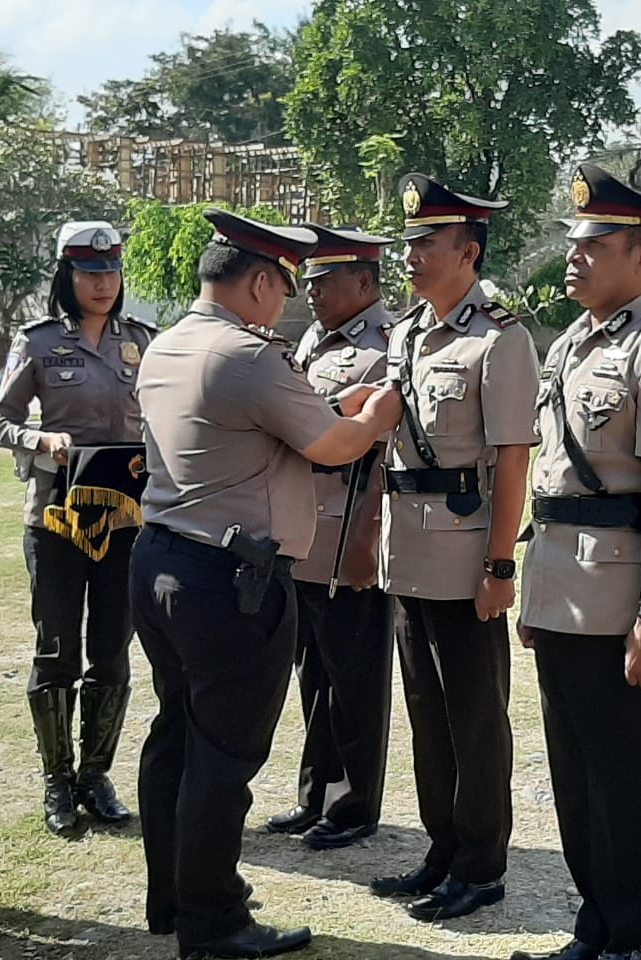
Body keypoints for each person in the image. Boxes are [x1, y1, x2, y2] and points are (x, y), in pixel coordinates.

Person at [130, 209, 402, 960]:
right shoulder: (247, 357)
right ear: (256, 281)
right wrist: (379, 410)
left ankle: (173, 896)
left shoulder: (168, 345)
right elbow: (336, 444)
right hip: (231, 579)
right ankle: (213, 922)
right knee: (224, 755)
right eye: (283, 286)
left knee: (177, 736)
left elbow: (250, 431)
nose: (287, 301)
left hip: (161, 558)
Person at [510, 164, 641, 960]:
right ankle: (594, 926)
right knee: (575, 774)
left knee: (626, 776)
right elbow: (553, 485)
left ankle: (636, 936)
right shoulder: (569, 344)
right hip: (561, 588)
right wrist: (535, 595)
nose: (575, 255)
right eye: (575, 241)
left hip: (622, 597)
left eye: (595, 243)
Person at [368, 173, 539, 922]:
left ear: (467, 252)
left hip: (467, 551)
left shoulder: (500, 337)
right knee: (427, 714)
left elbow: (512, 462)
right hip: (407, 549)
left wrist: (501, 564)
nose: (410, 256)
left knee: (474, 716)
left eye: (426, 244)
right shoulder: (406, 334)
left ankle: (480, 863)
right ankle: (442, 850)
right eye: (408, 243)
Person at [0, 221, 153, 837]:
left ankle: (96, 774)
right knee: (57, 647)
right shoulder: (36, 342)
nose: (103, 283)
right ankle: (57, 779)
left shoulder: (143, 342)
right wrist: (39, 438)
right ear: (68, 276)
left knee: (112, 649)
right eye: (90, 272)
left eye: (111, 271)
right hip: (56, 516)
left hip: (124, 520)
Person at [266, 225, 397, 850]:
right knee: (313, 673)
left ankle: (354, 805)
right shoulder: (314, 340)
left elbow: (385, 452)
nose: (312, 290)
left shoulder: (388, 344)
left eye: (325, 279)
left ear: (365, 283)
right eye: (309, 280)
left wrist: (371, 535)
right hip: (304, 534)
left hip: (352, 533)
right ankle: (314, 795)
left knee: (355, 676)